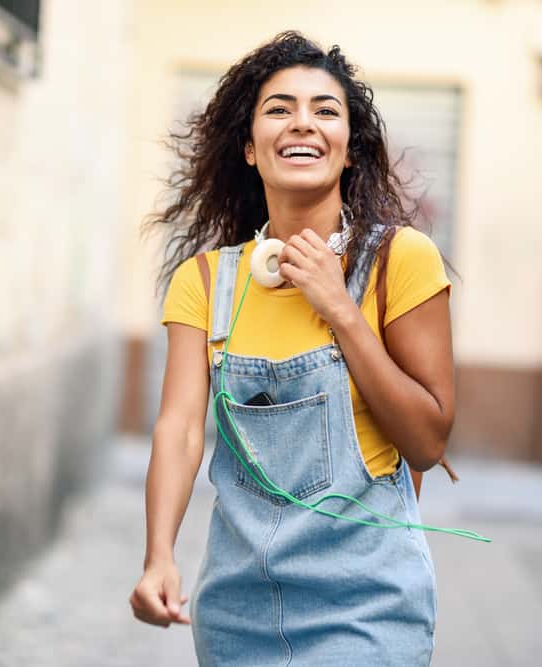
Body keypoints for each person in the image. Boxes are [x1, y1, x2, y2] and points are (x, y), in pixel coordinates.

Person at [130, 31, 455, 666]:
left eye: (325, 110)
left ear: (349, 152)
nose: (301, 122)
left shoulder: (400, 262)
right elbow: (179, 430)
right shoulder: (204, 282)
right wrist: (159, 556)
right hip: (235, 611)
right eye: (279, 108)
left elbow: (428, 441)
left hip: (367, 608)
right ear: (250, 149)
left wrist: (340, 309)